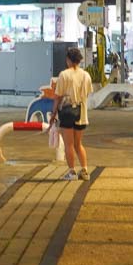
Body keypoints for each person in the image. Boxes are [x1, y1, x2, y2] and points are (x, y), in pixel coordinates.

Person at [52, 47, 93, 180]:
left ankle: (71, 172)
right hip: (81, 113)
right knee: (78, 144)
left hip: (67, 112)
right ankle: (85, 170)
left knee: (68, 144)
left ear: (68, 60)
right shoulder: (86, 75)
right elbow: (88, 93)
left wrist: (53, 114)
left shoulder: (64, 74)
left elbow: (57, 96)